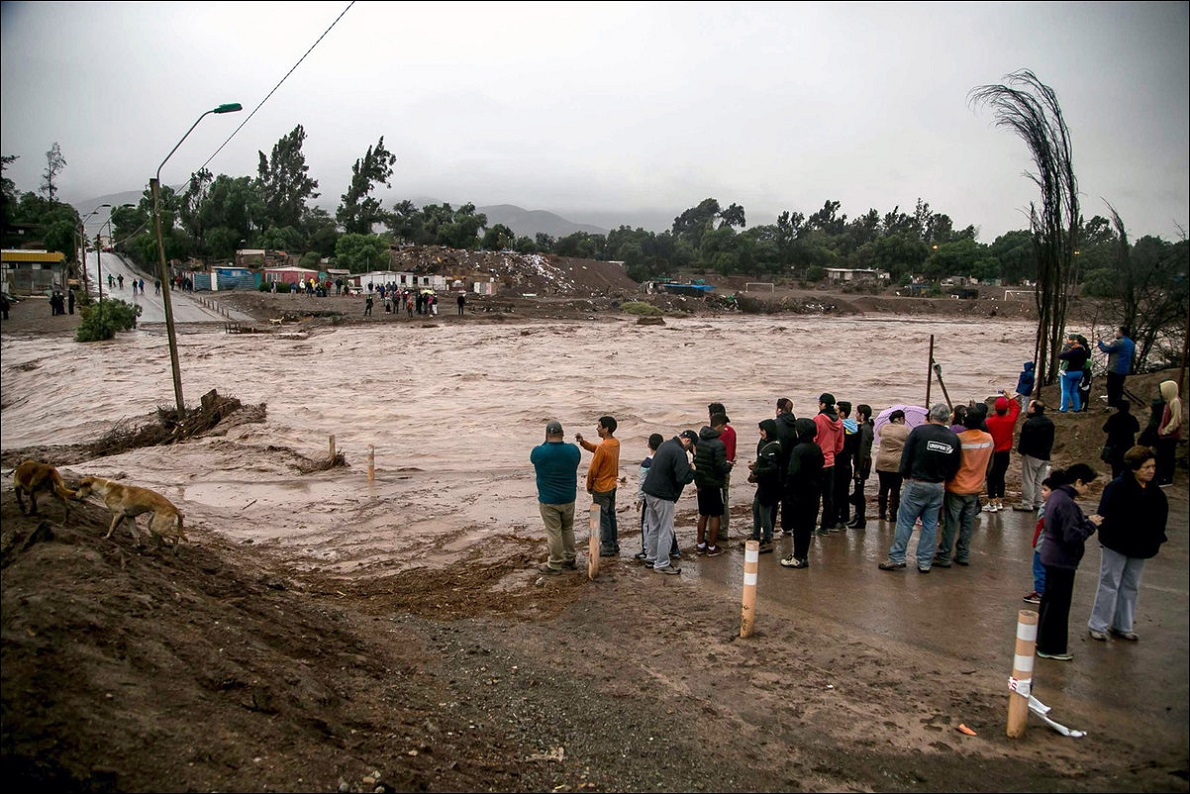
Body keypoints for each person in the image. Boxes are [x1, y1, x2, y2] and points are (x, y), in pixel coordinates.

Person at [1086, 446, 1168, 642]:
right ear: (1134, 468)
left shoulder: (1156, 493)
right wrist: (1108, 537)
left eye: (1153, 466)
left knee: (1131, 585)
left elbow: (1159, 520)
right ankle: (1098, 624)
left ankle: (1123, 625)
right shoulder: (1116, 488)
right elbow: (1104, 515)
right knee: (1109, 584)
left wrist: (1154, 541)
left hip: (1141, 547)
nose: (1151, 471)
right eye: (1146, 467)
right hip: (1116, 544)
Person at [878, 403, 961, 574]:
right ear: (947, 418)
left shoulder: (918, 432)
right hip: (938, 485)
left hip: (916, 482)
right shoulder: (953, 438)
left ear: (931, 416)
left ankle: (897, 557)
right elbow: (955, 465)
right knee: (930, 524)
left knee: (905, 521)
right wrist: (945, 480)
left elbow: (906, 456)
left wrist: (906, 475)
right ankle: (924, 562)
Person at [1035, 463, 1103, 660]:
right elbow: (1072, 536)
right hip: (1061, 559)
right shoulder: (1067, 503)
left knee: (1049, 601)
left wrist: (1084, 520)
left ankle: (1042, 639)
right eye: (1087, 485)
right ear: (1078, 482)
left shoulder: (1057, 496)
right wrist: (1090, 525)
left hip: (1050, 555)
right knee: (1059, 606)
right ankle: (1052, 647)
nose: (1087, 489)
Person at [934, 410, 994, 567]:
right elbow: (989, 464)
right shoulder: (988, 439)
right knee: (967, 523)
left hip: (956, 486)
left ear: (964, 422)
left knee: (950, 523)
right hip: (975, 488)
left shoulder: (958, 439)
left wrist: (945, 479)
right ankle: (963, 554)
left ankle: (944, 555)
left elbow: (949, 463)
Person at [640, 430, 698, 575]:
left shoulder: (665, 445)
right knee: (666, 530)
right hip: (663, 495)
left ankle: (651, 557)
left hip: (649, 491)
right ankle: (662, 563)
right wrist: (692, 470)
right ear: (688, 441)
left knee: (654, 527)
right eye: (690, 448)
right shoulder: (679, 452)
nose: (689, 451)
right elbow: (682, 478)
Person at [531, 420, 582, 575]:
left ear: (547, 434)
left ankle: (555, 564)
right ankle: (570, 558)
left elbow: (534, 459)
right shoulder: (573, 450)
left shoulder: (539, 452)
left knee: (554, 532)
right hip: (568, 497)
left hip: (549, 499)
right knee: (567, 529)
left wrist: (546, 441)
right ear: (563, 433)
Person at [779, 418, 825, 570]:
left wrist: (787, 490)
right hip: (813, 493)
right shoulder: (816, 448)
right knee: (806, 527)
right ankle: (802, 556)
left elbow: (793, 473)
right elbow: (821, 466)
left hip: (799, 494)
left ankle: (798, 557)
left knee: (799, 527)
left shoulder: (798, 450)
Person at [576, 416, 621, 558]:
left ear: (606, 429)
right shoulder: (615, 443)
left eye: (599, 426)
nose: (597, 428)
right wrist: (583, 443)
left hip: (601, 488)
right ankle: (614, 544)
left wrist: (589, 486)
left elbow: (592, 470)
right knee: (611, 515)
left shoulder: (603, 447)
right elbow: (597, 449)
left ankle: (607, 546)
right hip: (612, 485)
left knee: (603, 518)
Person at [693, 412, 731, 556]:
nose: (724, 429)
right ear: (719, 425)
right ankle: (712, 547)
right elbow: (721, 467)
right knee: (715, 515)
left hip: (701, 482)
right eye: (724, 426)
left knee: (703, 514)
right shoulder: (718, 444)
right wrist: (729, 465)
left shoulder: (700, 440)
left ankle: (700, 544)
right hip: (714, 484)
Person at [746, 419, 782, 554]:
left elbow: (773, 469)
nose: (760, 432)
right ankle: (756, 536)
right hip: (763, 484)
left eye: (762, 430)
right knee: (756, 508)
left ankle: (767, 540)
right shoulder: (766, 443)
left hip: (770, 486)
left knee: (764, 513)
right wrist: (756, 467)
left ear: (769, 431)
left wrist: (757, 471)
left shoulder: (774, 448)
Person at [634, 433, 671, 562]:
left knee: (647, 524)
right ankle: (672, 549)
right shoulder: (664, 460)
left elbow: (642, 482)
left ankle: (647, 550)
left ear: (648, 445)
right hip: (662, 495)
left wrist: (640, 499)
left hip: (648, 496)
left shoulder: (646, 463)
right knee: (664, 524)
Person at [984, 389, 1022, 513]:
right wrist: (1010, 397)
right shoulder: (1010, 420)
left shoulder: (989, 422)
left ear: (995, 409)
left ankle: (992, 502)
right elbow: (1016, 408)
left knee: (991, 477)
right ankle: (999, 501)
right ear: (1006, 409)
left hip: (993, 453)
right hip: (1005, 453)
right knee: (1001, 477)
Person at [1014, 400, 1055, 511]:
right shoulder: (1049, 422)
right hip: (1045, 455)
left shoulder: (1030, 423)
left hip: (1031, 455)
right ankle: (1039, 502)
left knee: (1028, 480)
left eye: (1029, 406)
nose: (1028, 408)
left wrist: (1022, 451)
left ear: (1033, 409)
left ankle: (1027, 504)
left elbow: (1024, 440)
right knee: (1040, 481)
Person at [813, 393, 844, 535]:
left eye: (819, 403)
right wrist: (831, 453)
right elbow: (840, 445)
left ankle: (811, 527)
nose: (818, 405)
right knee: (828, 497)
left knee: (814, 497)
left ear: (824, 404)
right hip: (831, 462)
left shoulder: (818, 420)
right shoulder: (839, 422)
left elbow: (813, 440)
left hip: (818, 464)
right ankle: (825, 527)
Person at [875, 410, 910, 522]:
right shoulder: (906, 430)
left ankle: (881, 513)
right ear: (901, 418)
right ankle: (893, 514)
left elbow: (879, 434)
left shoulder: (883, 427)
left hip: (882, 462)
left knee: (883, 488)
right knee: (895, 490)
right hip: (896, 463)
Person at [1022, 478, 1054, 605]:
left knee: (1039, 568)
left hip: (1043, 546)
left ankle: (1040, 592)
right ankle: (1044, 591)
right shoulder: (1050, 506)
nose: (1041, 492)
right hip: (1044, 544)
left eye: (1045, 490)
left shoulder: (1049, 508)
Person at [708, 402, 736, 541]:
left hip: (714, 470)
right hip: (726, 468)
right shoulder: (731, 431)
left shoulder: (713, 432)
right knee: (724, 499)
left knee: (711, 502)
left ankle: (711, 531)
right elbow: (732, 451)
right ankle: (723, 529)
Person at [772, 398, 798, 536]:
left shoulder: (775, 425)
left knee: (772, 499)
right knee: (788, 499)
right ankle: (787, 527)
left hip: (777, 467)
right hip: (791, 466)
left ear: (779, 410)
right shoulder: (797, 425)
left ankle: (769, 528)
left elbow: (770, 446)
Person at [847, 404, 874, 529]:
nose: (856, 415)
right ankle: (857, 516)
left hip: (862, 464)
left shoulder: (865, 429)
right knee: (858, 491)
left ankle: (860, 518)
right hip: (862, 463)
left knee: (859, 492)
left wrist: (858, 469)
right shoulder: (865, 427)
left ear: (862, 415)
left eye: (857, 413)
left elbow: (863, 450)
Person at [1097, 327, 1135, 409]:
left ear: (1121, 332)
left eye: (1117, 332)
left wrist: (1100, 342)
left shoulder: (1119, 342)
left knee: (1111, 387)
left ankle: (1111, 404)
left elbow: (1106, 349)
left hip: (1115, 368)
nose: (1116, 333)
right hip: (1125, 369)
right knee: (1119, 387)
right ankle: (1118, 403)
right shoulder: (1131, 343)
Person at [1101, 400, 1140, 480]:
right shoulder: (1131, 418)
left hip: (1115, 447)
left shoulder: (1113, 418)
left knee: (1116, 470)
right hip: (1128, 446)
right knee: (1128, 468)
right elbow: (1137, 429)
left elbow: (1105, 428)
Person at [833, 401, 856, 528]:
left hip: (838, 463)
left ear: (842, 413)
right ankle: (845, 517)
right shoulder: (854, 426)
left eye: (836, 410)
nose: (834, 412)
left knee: (836, 492)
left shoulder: (839, 427)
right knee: (844, 491)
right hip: (847, 463)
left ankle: (836, 518)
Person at [1154, 380, 1181, 486]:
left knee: (1167, 458)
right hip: (1165, 436)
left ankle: (1166, 478)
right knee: (1162, 457)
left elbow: (1175, 420)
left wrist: (1165, 431)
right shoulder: (1169, 402)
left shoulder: (1175, 402)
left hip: (1170, 436)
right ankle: (1161, 476)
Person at [1057, 335, 1088, 412]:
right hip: (1079, 373)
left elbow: (1060, 356)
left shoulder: (1073, 352)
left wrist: (1067, 349)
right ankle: (1077, 407)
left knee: (1065, 390)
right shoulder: (1084, 352)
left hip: (1069, 373)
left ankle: (1064, 408)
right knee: (1074, 391)